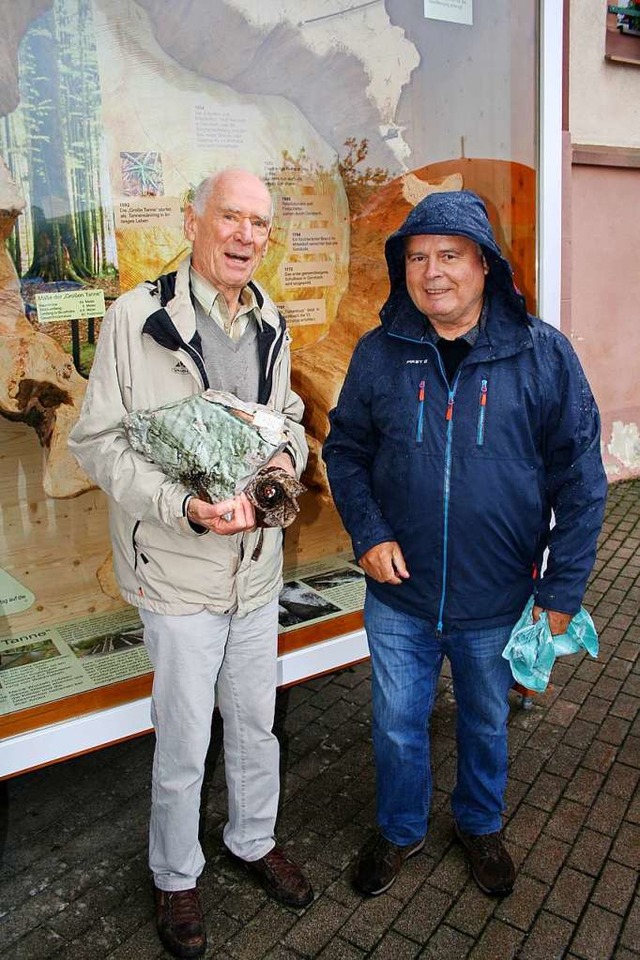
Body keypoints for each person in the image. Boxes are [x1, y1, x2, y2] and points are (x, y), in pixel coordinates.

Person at [323, 190, 607, 899]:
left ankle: (479, 824)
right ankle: (399, 830)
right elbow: (347, 451)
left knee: (485, 724)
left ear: (484, 265)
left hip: (498, 596)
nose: (432, 272)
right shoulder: (380, 353)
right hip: (400, 597)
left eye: (450, 255)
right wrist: (370, 532)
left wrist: (562, 590)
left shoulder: (543, 355)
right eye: (417, 257)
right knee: (395, 727)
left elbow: (582, 479)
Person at [69, 168, 312, 959]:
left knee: (254, 721)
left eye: (260, 225)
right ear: (192, 221)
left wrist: (279, 474)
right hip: (177, 570)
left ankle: (252, 839)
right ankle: (174, 874)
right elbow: (96, 443)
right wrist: (183, 506)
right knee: (182, 736)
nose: (246, 236)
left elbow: (290, 423)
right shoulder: (134, 319)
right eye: (231, 218)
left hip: (256, 566)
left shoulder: (272, 318)